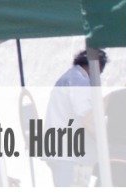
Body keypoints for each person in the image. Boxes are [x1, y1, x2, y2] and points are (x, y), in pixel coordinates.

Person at [46, 50, 105, 186]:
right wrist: (103, 139)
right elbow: (86, 116)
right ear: (95, 67)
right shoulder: (78, 80)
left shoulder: (70, 76)